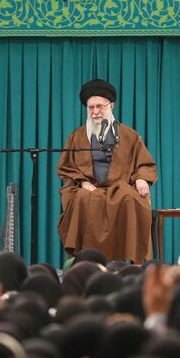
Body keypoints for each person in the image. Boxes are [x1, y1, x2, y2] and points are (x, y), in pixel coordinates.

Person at [57, 79, 157, 264]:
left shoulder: (129, 135)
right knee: (81, 199)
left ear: (111, 106)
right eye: (91, 107)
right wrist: (83, 182)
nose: (95, 112)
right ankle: (84, 262)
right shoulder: (77, 137)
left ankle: (130, 262)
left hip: (119, 188)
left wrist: (142, 179)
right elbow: (67, 166)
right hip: (88, 188)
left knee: (130, 199)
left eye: (99, 107)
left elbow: (145, 164)